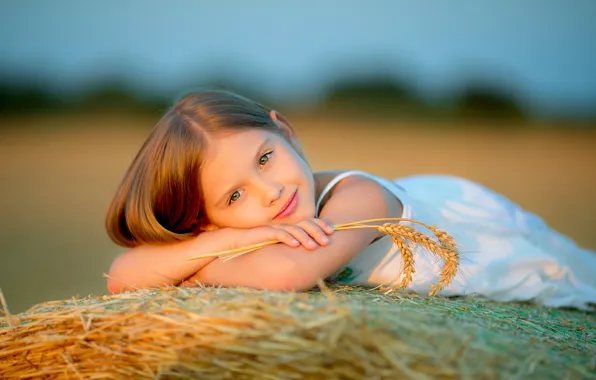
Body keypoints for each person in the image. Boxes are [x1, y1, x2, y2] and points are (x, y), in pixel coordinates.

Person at [105, 90, 596, 310]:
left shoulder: (361, 196)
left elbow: (286, 275)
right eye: (234, 196)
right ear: (206, 219)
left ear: (285, 129)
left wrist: (213, 249)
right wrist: (238, 239)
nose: (270, 190)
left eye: (264, 158)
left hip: (522, 254)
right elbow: (123, 278)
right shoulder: (253, 229)